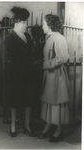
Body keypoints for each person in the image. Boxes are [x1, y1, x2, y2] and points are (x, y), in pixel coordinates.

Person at [37, 14, 70, 142]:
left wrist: (46, 64)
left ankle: (59, 129)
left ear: (50, 25)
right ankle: (49, 125)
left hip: (57, 75)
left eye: (44, 24)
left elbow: (62, 58)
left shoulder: (59, 38)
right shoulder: (49, 37)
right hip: (50, 74)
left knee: (56, 101)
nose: (42, 26)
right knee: (48, 101)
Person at [5, 6, 35, 137]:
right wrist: (27, 62)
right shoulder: (10, 37)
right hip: (16, 74)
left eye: (25, 22)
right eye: (23, 23)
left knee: (28, 100)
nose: (25, 25)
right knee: (15, 101)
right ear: (16, 23)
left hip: (28, 73)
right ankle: (12, 125)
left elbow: (31, 54)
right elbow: (12, 57)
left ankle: (27, 124)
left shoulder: (27, 36)